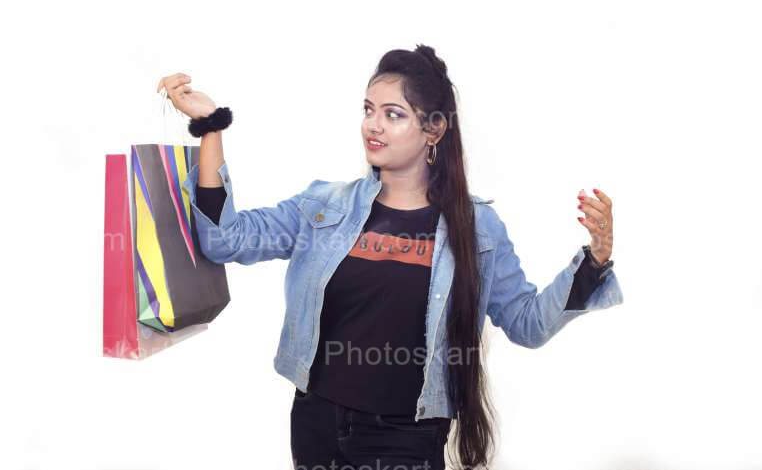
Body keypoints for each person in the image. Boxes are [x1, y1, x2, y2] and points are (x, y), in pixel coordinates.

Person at [157, 44, 622, 470]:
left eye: (393, 114)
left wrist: (595, 261)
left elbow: (526, 323)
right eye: (368, 110)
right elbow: (227, 239)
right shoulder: (325, 207)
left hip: (406, 438)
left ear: (434, 129)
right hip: (317, 423)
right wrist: (212, 127)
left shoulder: (476, 227)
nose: (373, 125)